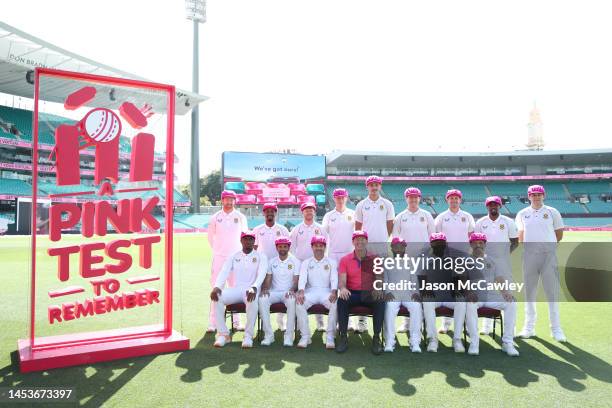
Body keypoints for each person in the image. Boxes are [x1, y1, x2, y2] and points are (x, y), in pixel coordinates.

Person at [515, 185, 566, 342]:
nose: (536, 197)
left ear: (543, 196)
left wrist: (547, 248)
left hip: (548, 257)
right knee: (529, 293)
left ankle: (556, 329)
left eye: (539, 194)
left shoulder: (552, 212)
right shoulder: (522, 214)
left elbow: (559, 234)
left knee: (552, 293)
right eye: (533, 195)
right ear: (529, 196)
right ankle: (529, 328)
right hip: (530, 257)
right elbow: (521, 235)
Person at [464, 233, 520, 356]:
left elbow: (499, 278)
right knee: (470, 304)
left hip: (491, 295)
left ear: (485, 245)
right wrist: (468, 293)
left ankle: (507, 343)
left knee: (511, 303)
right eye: (475, 243)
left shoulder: (492, 261)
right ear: (471, 244)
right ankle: (474, 342)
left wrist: (506, 292)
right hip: (474, 295)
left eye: (481, 243)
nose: (478, 245)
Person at [210, 231, 268, 348]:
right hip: (237, 289)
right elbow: (224, 271)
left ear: (254, 241)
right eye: (245, 239)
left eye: (251, 239)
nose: (248, 241)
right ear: (241, 241)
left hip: (252, 290)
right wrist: (217, 287)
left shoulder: (261, 256)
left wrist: (255, 287)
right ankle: (223, 335)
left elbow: (262, 273)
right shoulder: (234, 256)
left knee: (252, 300)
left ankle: (248, 336)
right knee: (218, 297)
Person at [354, 175, 395, 332]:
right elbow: (358, 227)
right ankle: (362, 322)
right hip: (365, 250)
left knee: (381, 284)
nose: (374, 187)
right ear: (367, 187)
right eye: (371, 184)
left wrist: (382, 239)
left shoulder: (387, 204)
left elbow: (390, 225)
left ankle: (383, 322)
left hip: (382, 249)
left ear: (380, 186)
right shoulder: (361, 205)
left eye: (377, 184)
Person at [392, 186, 434, 333]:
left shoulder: (427, 215)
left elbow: (432, 237)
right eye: (410, 197)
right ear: (406, 199)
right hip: (406, 261)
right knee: (408, 290)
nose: (413, 199)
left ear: (419, 198)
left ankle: (421, 323)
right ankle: (406, 323)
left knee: (422, 291)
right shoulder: (400, 217)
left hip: (423, 259)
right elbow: (396, 239)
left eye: (416, 197)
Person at [336, 231, 386, 355]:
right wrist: (342, 288)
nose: (360, 242)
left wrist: (378, 288)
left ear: (367, 241)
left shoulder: (376, 258)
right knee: (342, 300)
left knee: (380, 299)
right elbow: (342, 281)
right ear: (353, 242)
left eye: (362, 239)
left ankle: (376, 337)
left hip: (369, 292)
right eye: (357, 239)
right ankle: (343, 337)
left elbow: (379, 277)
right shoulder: (345, 260)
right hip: (352, 292)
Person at [474, 196, 519, 334]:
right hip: (485, 263)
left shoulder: (508, 222)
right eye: (490, 205)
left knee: (507, 293)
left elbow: (515, 242)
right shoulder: (481, 222)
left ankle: (510, 328)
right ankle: (486, 327)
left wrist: (505, 255)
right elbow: (476, 242)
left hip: (503, 263)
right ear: (487, 207)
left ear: (500, 206)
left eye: (496, 205)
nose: (493, 207)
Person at [434, 188, 475, 334]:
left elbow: (472, 237)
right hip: (446, 258)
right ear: (447, 200)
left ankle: (466, 324)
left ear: (460, 200)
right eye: (451, 198)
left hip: (463, 259)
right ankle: (446, 323)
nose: (454, 200)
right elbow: (437, 238)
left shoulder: (467, 216)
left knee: (462, 291)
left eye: (456, 198)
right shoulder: (441, 217)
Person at [206, 190, 248, 332]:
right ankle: (213, 322)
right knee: (216, 289)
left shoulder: (240, 217)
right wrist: (219, 251)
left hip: (236, 259)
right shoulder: (215, 217)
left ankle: (236, 322)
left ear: (235, 201)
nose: (229, 202)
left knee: (236, 289)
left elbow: (245, 236)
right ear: (222, 200)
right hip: (219, 258)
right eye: (226, 199)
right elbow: (210, 238)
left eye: (232, 200)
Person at [419, 232, 467, 353]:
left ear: (445, 244)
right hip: (434, 294)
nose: (439, 246)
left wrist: (456, 289)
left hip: (448, 295)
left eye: (441, 243)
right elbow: (421, 278)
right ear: (431, 244)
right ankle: (432, 339)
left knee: (461, 301)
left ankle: (457, 339)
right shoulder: (424, 259)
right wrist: (426, 288)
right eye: (436, 243)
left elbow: (459, 277)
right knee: (427, 302)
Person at [322, 188, 357, 329]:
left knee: (348, 286)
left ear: (346, 198)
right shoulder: (329, 216)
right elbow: (323, 237)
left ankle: (349, 320)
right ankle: (335, 319)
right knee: (334, 286)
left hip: (349, 254)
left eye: (343, 197)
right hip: (333, 255)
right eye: (338, 197)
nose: (340, 200)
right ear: (334, 199)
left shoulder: (353, 214)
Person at [295, 235, 338, 349]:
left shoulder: (331, 262)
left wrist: (334, 291)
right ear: (312, 247)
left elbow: (334, 278)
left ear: (325, 247)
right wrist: (301, 292)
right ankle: (305, 337)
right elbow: (303, 278)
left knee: (335, 304)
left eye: (321, 246)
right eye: (316, 246)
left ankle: (330, 337)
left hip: (326, 291)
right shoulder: (306, 262)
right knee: (299, 303)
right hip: (311, 291)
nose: (318, 248)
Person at [290, 202, 328, 331]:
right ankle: (298, 325)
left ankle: (320, 323)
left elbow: (325, 246)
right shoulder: (297, 229)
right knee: (299, 294)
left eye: (311, 210)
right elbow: (292, 248)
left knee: (317, 291)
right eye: (306, 210)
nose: (309, 212)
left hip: (317, 265)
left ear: (314, 212)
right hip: (301, 266)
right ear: (302, 212)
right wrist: (298, 264)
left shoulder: (321, 228)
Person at [253, 202, 290, 331]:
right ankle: (263, 324)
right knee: (263, 295)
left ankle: (281, 322)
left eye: (272, 211)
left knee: (281, 291)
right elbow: (254, 249)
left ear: (276, 213)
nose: (270, 213)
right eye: (267, 211)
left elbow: (287, 249)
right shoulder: (257, 230)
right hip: (263, 269)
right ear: (263, 213)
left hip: (280, 267)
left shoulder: (283, 230)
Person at [383, 237, 423, 353]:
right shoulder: (387, 261)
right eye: (396, 246)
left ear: (405, 248)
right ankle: (390, 341)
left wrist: (416, 292)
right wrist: (387, 292)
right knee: (390, 308)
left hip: (408, 293)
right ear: (392, 248)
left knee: (416, 307)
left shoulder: (411, 262)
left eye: (402, 246)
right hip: (393, 293)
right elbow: (385, 279)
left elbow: (414, 279)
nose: (399, 249)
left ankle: (415, 342)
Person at [258, 237, 300, 347]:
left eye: (285, 246)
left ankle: (289, 337)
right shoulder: (271, 261)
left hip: (288, 293)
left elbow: (296, 282)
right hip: (274, 292)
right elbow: (268, 279)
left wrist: (292, 290)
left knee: (291, 301)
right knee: (262, 299)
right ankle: (269, 336)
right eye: (280, 246)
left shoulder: (295, 261)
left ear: (288, 248)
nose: (282, 249)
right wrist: (265, 289)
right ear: (277, 248)